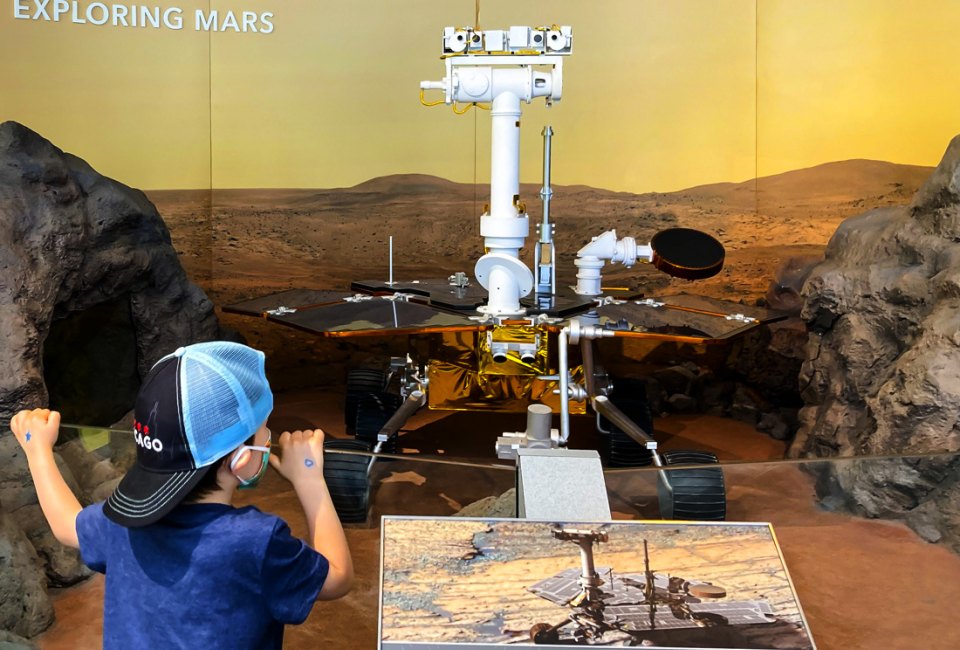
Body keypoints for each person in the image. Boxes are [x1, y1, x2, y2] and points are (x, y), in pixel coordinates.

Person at [9, 341, 353, 649]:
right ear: (241, 459)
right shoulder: (256, 541)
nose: (269, 438)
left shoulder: (120, 521)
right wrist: (309, 479)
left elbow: (67, 526)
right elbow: (337, 578)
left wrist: (37, 450)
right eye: (264, 431)